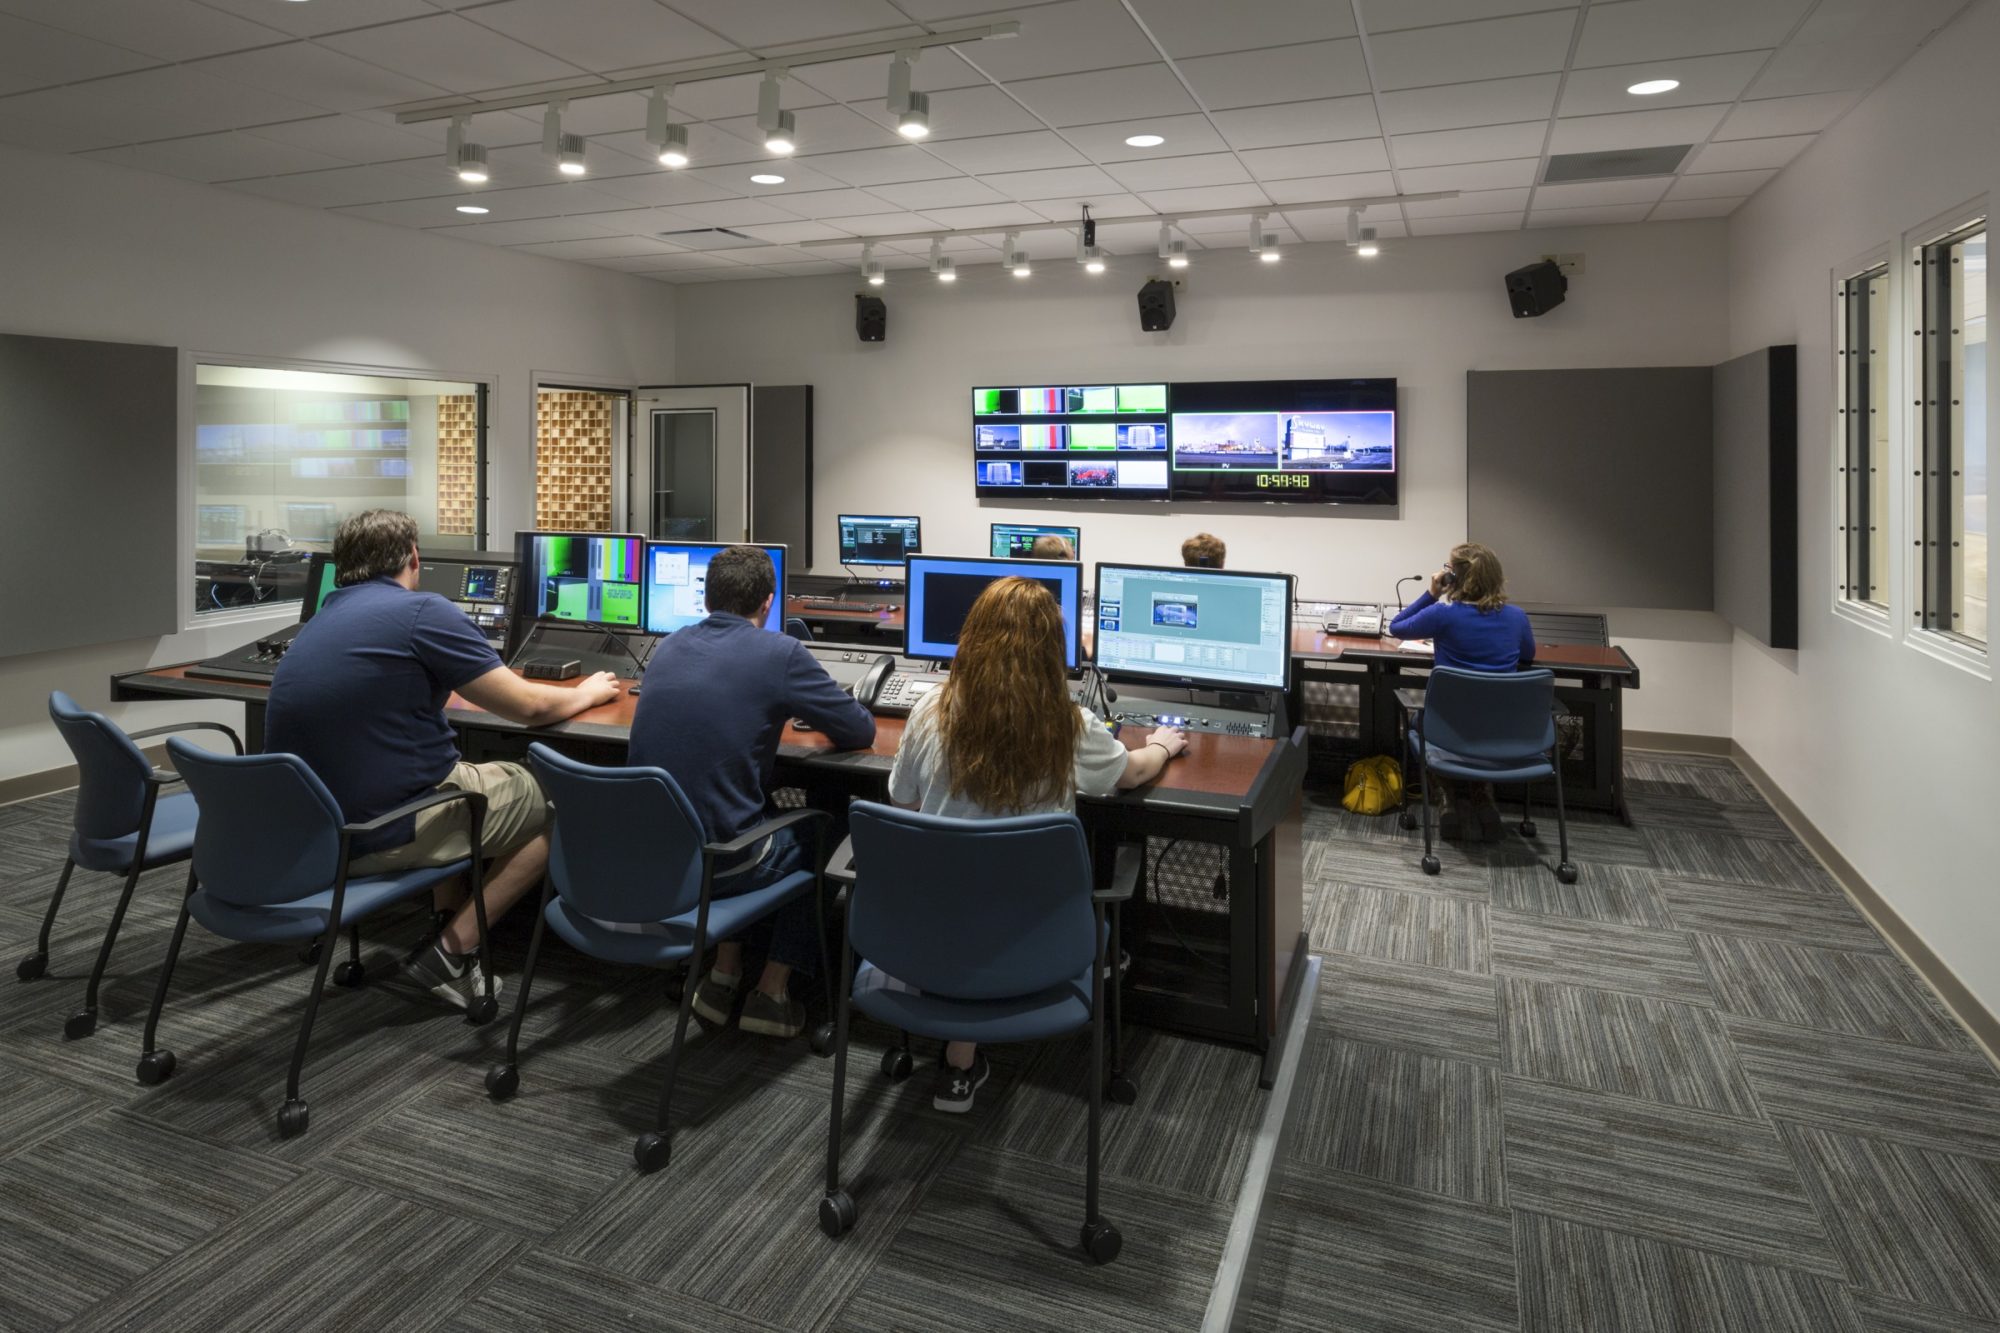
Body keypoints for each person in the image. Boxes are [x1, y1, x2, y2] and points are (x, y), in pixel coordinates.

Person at [265, 510, 622, 1009]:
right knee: (568, 796)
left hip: (315, 833)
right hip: (383, 829)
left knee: (455, 768)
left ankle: (442, 917)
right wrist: (587, 691)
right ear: (414, 558)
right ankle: (453, 951)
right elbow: (530, 707)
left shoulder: (318, 623)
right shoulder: (421, 612)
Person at [886, 576, 1187, 1112]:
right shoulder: (1067, 724)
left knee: (973, 890)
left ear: (970, 638)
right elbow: (1132, 773)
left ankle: (960, 1056)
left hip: (931, 931)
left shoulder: (930, 709)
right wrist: (1162, 745)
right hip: (1041, 939)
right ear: (1053, 649)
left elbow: (903, 802)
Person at [628, 545, 875, 1040]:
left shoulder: (670, 646)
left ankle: (723, 975)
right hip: (722, 861)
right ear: (768, 602)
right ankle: (772, 992)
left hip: (657, 859)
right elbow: (859, 731)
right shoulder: (779, 652)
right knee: (828, 826)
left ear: (706, 597)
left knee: (745, 807)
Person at [1387, 542, 1536, 840]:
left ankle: (1447, 799)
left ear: (1453, 578)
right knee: (1473, 724)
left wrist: (1432, 593)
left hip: (1447, 729)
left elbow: (1397, 627)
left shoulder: (1443, 615)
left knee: (1423, 723)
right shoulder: (1517, 617)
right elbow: (1527, 655)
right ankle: (1482, 797)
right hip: (1501, 729)